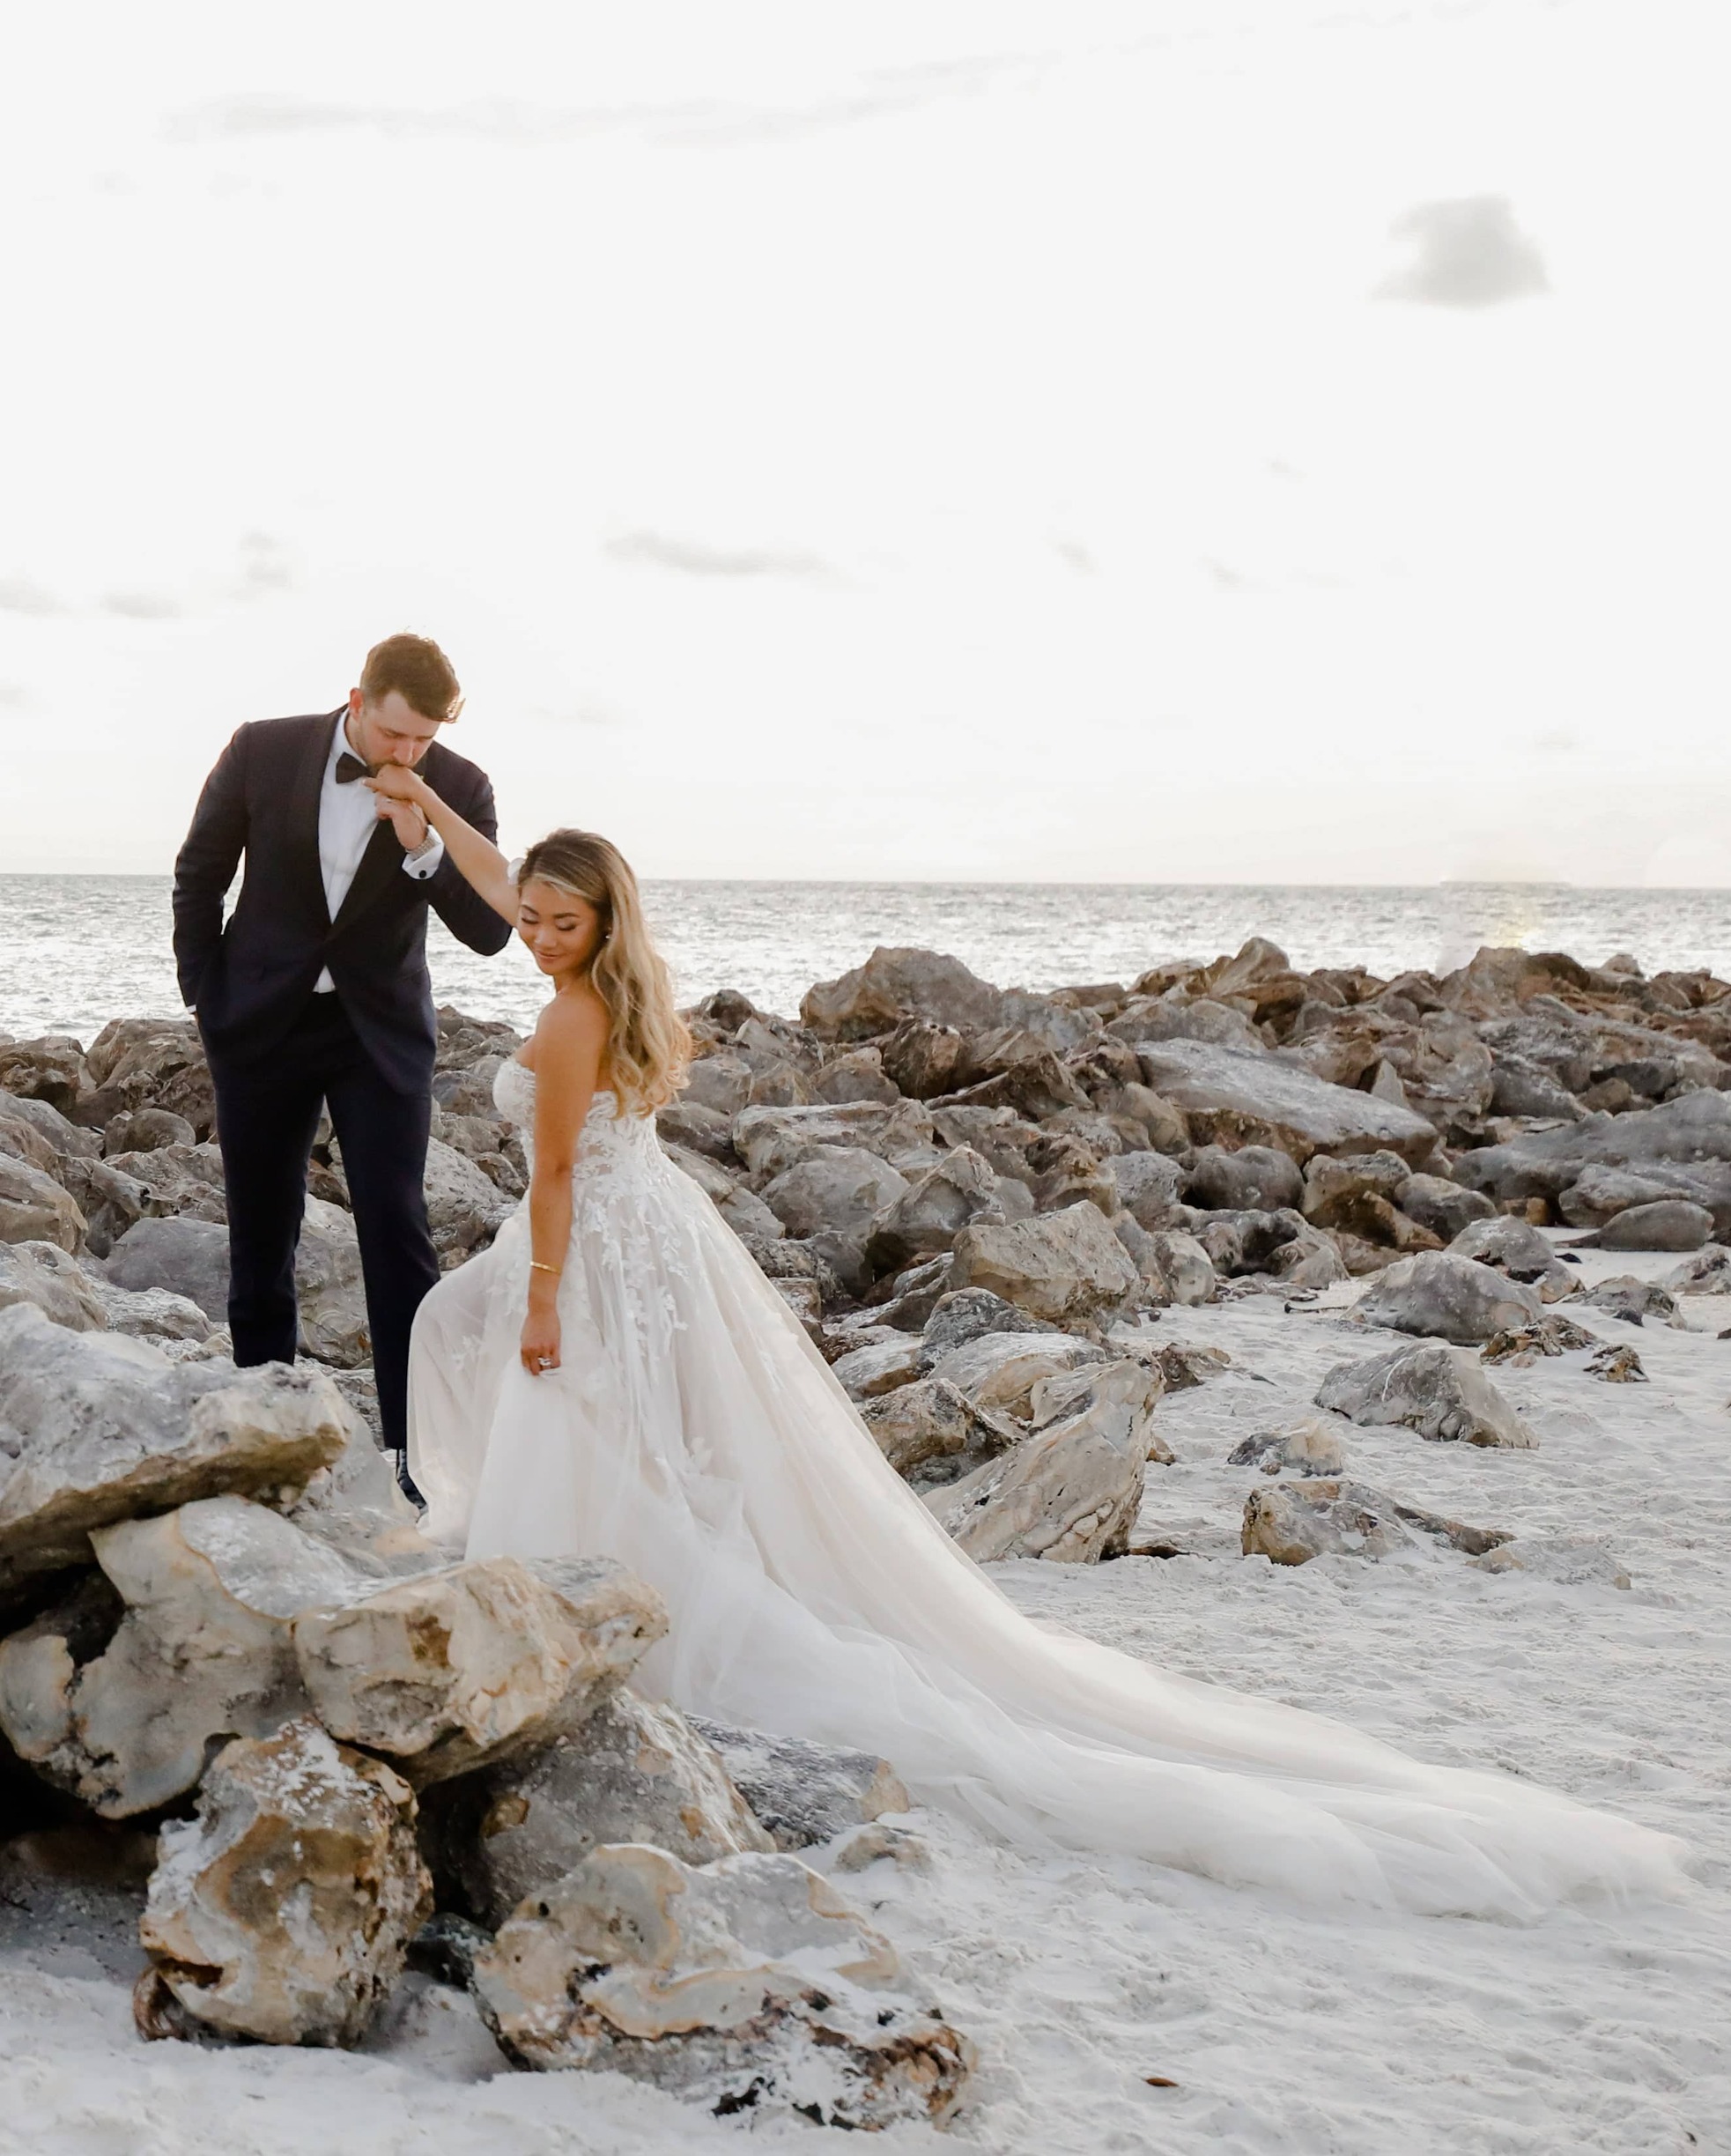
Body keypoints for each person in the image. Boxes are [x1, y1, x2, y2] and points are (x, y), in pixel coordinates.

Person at [376, 763, 1686, 1920]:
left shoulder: (560, 1018)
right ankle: (549, 1541)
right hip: (654, 1229)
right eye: (532, 918)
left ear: (605, 920)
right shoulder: (601, 985)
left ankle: (566, 1566)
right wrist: (431, 802)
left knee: (491, 1338)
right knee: (575, 1390)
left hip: (595, 1239)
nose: (536, 935)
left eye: (560, 920)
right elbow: (501, 888)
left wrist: (543, 1294)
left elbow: (548, 1179)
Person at [172, 635, 513, 1493]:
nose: (407, 755)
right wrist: (204, 994)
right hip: (259, 1024)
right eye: (395, 735)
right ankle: (264, 1430)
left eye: (423, 741)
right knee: (261, 1231)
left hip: (379, 1034)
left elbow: (491, 929)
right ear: (357, 700)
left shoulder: (460, 787)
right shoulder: (263, 747)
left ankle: (415, 1454)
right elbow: (200, 872)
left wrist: (420, 841)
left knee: (396, 1232)